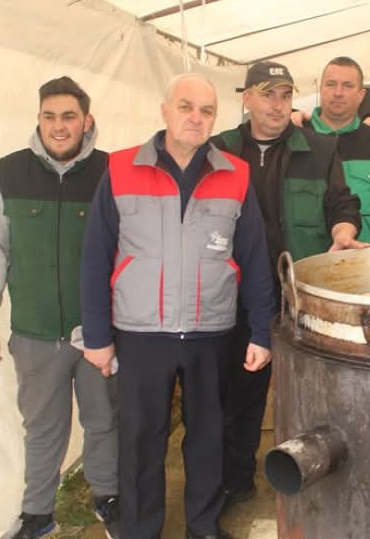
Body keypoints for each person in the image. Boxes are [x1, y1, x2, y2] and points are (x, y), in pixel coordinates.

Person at [80, 73, 276, 539]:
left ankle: (203, 526)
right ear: (165, 111)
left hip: (212, 331)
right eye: (185, 107)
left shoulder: (235, 174)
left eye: (207, 111)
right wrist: (97, 337)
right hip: (141, 332)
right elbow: (94, 256)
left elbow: (254, 257)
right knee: (140, 439)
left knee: (209, 437)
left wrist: (261, 332)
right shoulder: (121, 168)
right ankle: (140, 529)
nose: (196, 118)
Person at [0, 76, 119, 539]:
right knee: (41, 429)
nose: (59, 126)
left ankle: (108, 499)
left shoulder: (111, 172)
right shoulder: (10, 170)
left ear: (87, 120)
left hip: (98, 333)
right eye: (49, 116)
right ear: (38, 119)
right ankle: (37, 514)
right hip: (34, 334)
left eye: (69, 116)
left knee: (104, 421)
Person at [212, 61, 363, 504]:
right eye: (267, 94)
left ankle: (316, 476)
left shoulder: (319, 149)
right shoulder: (219, 150)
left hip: (300, 297)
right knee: (239, 391)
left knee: (311, 391)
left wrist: (343, 231)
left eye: (285, 95)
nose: (278, 105)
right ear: (246, 98)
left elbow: (342, 203)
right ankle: (236, 478)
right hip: (236, 296)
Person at [305, 56, 370, 247]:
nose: (338, 93)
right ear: (320, 89)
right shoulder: (297, 140)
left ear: (361, 95)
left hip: (364, 259)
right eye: (331, 84)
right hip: (306, 257)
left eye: (347, 86)